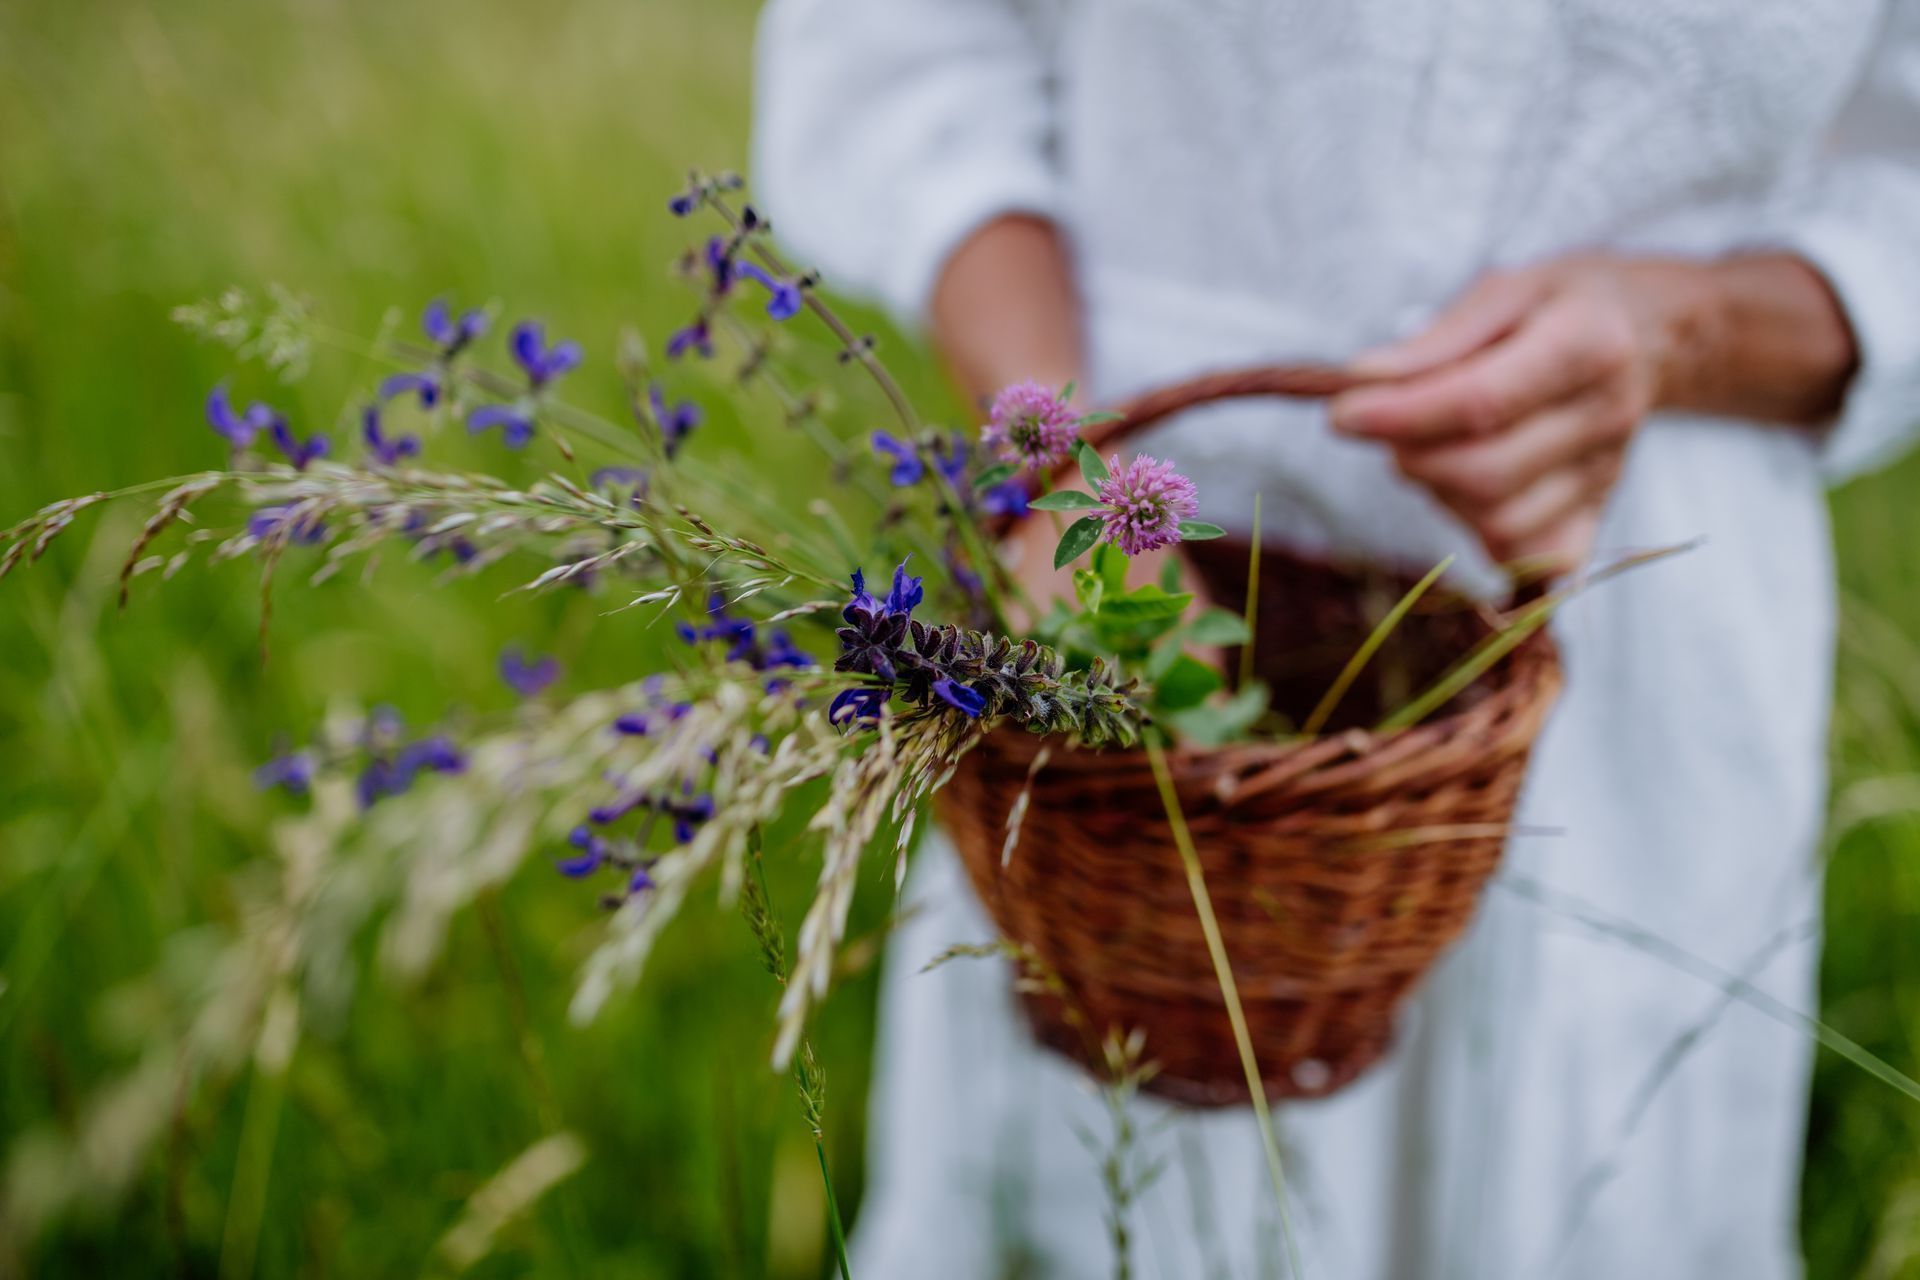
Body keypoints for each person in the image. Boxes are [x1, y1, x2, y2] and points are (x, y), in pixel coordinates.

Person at [753, 3, 1920, 1276]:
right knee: (1133, 1182)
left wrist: (1678, 329)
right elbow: (906, 43)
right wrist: (1067, 468)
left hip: (1634, 608)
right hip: (1135, 559)